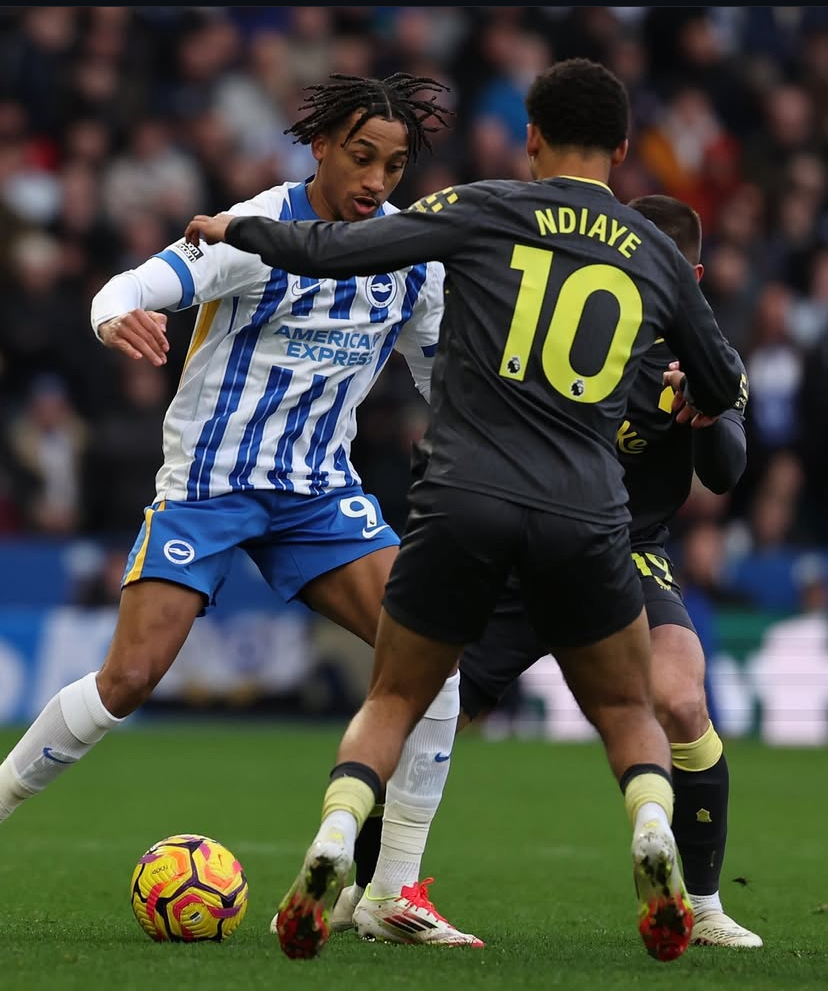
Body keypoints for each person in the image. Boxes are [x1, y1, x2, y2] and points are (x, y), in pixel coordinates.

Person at [185, 58, 746, 963]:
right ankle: (651, 827)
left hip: (463, 499)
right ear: (626, 148)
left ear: (531, 137)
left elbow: (331, 249)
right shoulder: (651, 252)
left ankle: (335, 841)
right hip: (585, 512)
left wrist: (238, 229)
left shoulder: (480, 206)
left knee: (397, 694)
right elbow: (722, 385)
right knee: (630, 712)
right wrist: (695, 392)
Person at [0, 72, 479, 941]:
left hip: (318, 492)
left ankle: (392, 895)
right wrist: (116, 317)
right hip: (211, 483)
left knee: (435, 656)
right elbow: (131, 285)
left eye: (395, 164)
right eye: (363, 156)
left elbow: (447, 377)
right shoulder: (255, 230)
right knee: (129, 680)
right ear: (323, 145)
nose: (377, 180)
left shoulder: (411, 259)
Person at [331, 195, 761, 950]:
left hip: (624, 550)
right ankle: (362, 884)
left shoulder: (704, 353)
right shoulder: (573, 322)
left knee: (682, 699)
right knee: (431, 714)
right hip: (524, 544)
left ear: (685, 276)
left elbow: (725, 471)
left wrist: (699, 409)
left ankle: (703, 902)